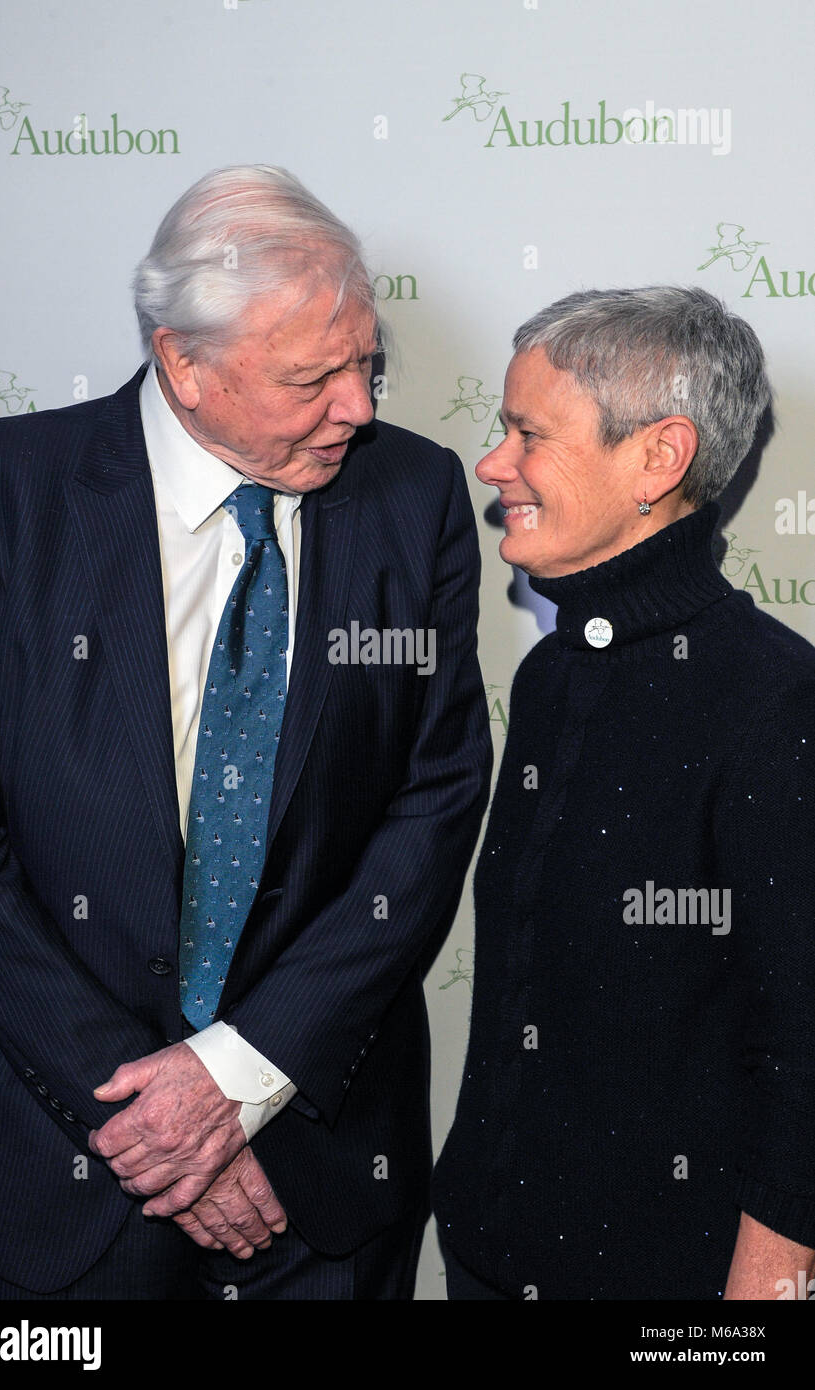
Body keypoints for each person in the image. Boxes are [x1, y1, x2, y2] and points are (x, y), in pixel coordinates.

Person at [0, 166, 491, 1300]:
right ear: (182, 365)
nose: (358, 406)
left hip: (322, 1168)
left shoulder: (414, 494)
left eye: (366, 362)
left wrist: (238, 1077)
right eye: (313, 377)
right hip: (54, 1171)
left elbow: (432, 798)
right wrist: (159, 1110)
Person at [434, 286, 815, 1301]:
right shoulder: (554, 676)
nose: (493, 464)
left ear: (657, 457)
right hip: (491, 1253)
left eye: (528, 434)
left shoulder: (776, 702)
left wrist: (764, 1295)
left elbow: (805, 1044)